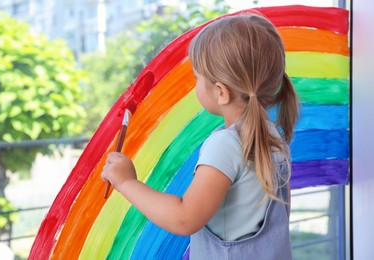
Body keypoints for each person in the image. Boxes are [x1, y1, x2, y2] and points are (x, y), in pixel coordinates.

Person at [102, 14, 298, 259]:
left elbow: (185, 219)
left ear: (221, 92)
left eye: (198, 77)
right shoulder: (271, 137)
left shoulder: (226, 145)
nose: (195, 85)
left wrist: (126, 183)